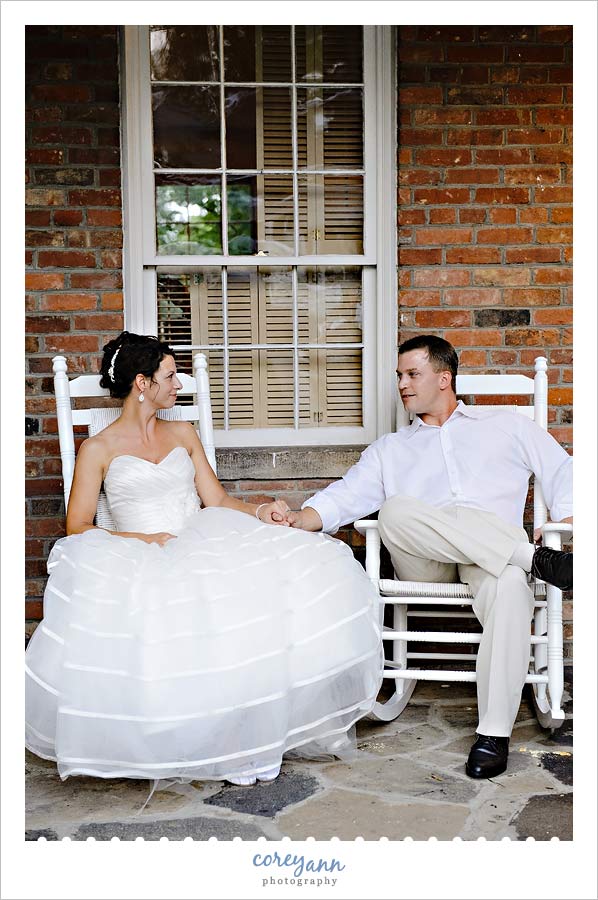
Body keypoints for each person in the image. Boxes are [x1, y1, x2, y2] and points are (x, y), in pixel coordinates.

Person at [25, 331, 382, 786]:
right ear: (142, 382)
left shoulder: (182, 432)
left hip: (200, 536)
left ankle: (244, 734)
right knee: (173, 606)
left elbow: (214, 499)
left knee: (273, 581)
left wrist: (260, 512)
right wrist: (143, 539)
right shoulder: (99, 448)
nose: (179, 385)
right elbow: (77, 524)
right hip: (136, 549)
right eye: (170, 376)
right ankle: (188, 734)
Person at [286, 334, 573, 780]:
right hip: (428, 558)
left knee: (511, 586)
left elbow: (562, 469)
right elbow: (347, 495)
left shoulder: (507, 426)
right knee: (396, 509)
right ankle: (533, 559)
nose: (401, 384)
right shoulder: (391, 449)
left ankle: (494, 733)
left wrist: (569, 520)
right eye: (399, 375)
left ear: (444, 378)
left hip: (489, 562)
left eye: (411, 374)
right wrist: (304, 516)